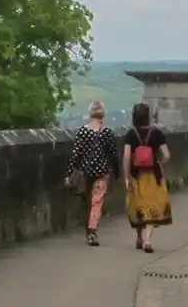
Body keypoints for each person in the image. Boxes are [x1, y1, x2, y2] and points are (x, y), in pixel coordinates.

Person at [65, 101, 121, 246]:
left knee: (86, 201)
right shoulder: (107, 132)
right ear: (103, 114)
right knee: (97, 201)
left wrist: (70, 174)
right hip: (102, 172)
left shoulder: (82, 131)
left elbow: (76, 155)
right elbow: (113, 155)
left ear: (90, 113)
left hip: (84, 172)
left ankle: (87, 228)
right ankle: (92, 231)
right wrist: (117, 171)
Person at [123, 102, 172, 253]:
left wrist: (126, 177)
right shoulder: (156, 133)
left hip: (136, 174)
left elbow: (126, 157)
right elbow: (167, 155)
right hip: (153, 175)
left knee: (137, 205)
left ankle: (139, 235)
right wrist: (159, 163)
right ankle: (148, 240)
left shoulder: (131, 135)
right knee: (151, 206)